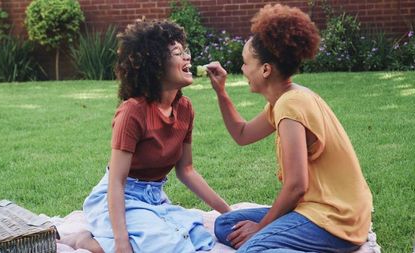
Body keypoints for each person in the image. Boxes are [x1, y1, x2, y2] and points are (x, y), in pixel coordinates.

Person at [206, 4, 373, 253]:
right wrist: (221, 91)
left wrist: (261, 226)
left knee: (251, 248)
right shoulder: (284, 100)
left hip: (337, 218)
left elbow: (296, 185)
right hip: (314, 207)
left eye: (245, 63)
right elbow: (242, 134)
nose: (242, 70)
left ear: (265, 70)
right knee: (226, 225)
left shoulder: (291, 105)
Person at [59, 19, 231, 253]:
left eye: (186, 51)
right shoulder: (133, 112)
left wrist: (230, 213)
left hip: (153, 198)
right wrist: (121, 242)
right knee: (164, 246)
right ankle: (82, 240)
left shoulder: (185, 109)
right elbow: (116, 182)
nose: (187, 58)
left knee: (197, 237)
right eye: (177, 53)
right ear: (156, 64)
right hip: (118, 198)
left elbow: (186, 171)